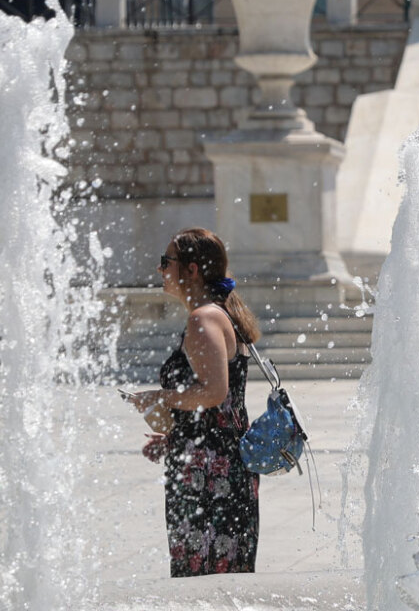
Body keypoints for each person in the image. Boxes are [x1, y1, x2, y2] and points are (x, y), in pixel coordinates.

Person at [131, 227, 261, 577]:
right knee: (220, 574)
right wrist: (175, 438)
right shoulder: (217, 312)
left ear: (191, 270)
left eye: (166, 262)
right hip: (216, 463)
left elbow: (215, 392)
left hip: (208, 475)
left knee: (202, 578)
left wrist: (158, 397)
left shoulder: (203, 318)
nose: (160, 270)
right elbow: (219, 407)